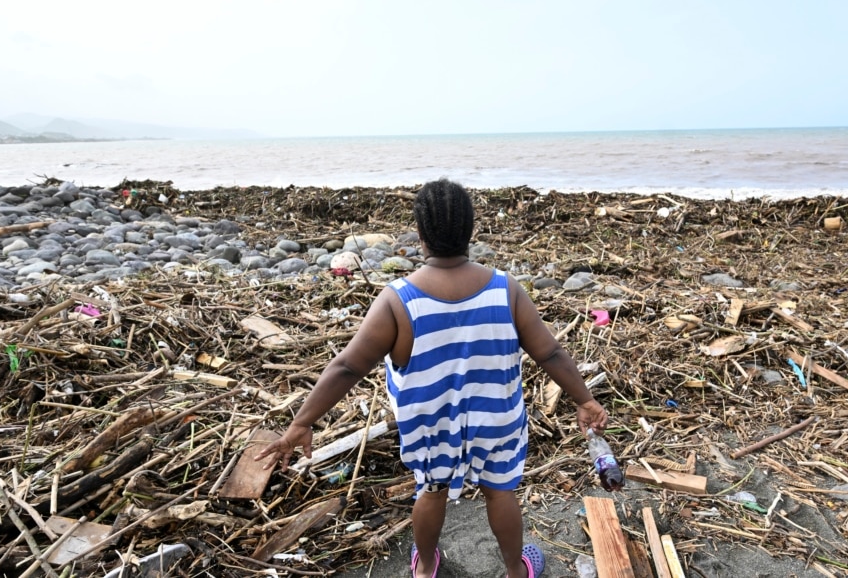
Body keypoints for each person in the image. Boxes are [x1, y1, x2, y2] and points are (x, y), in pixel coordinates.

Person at [256, 178, 609, 578]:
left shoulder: (398, 299)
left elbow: (347, 367)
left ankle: (425, 567)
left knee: (432, 489)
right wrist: (585, 400)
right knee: (500, 491)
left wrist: (301, 423)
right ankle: (515, 570)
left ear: (421, 234)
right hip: (496, 420)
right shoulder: (505, 290)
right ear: (470, 231)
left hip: (431, 425)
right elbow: (550, 352)